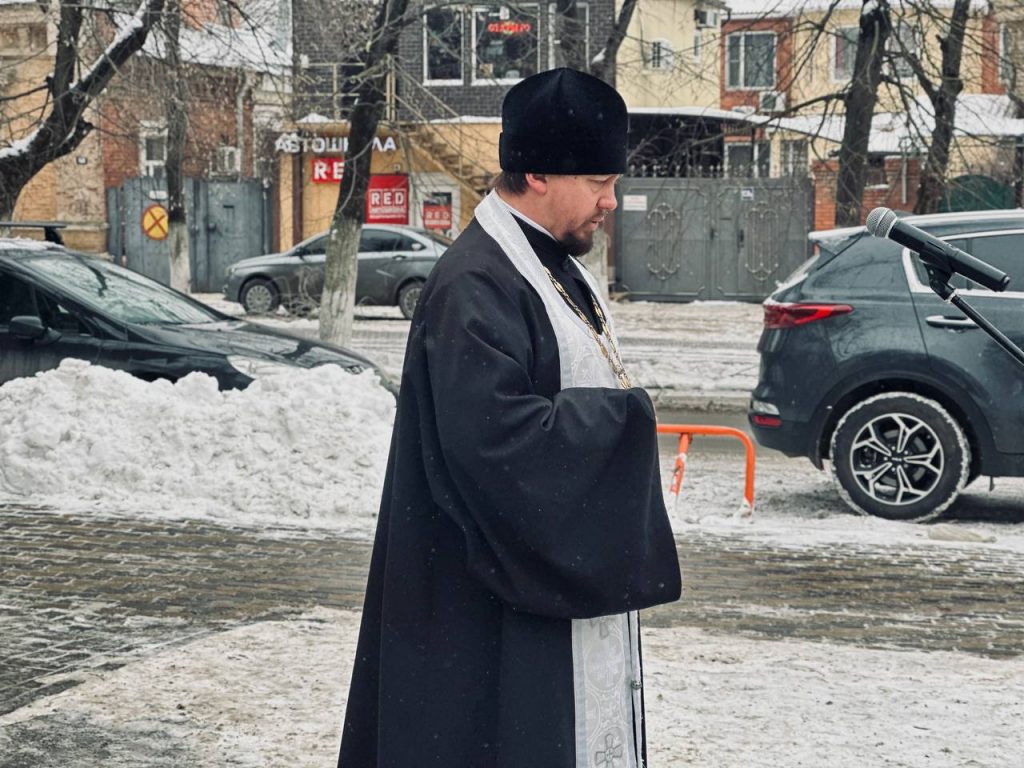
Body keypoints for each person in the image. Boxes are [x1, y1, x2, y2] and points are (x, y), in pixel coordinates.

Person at [338, 68, 681, 768]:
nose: (611, 201)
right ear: (537, 174)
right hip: (487, 608)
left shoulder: (550, 264)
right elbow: (497, 444)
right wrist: (629, 424)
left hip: (533, 591)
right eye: (598, 182)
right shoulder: (477, 283)